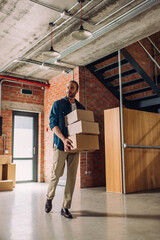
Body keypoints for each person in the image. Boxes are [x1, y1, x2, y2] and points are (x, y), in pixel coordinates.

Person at [45, 80, 85, 219]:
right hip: (60, 145)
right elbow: (53, 123)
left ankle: (65, 207)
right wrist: (63, 139)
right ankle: (49, 197)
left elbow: (83, 128)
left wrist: (86, 144)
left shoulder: (81, 108)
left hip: (75, 147)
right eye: (67, 87)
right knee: (56, 174)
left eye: (72, 88)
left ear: (76, 90)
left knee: (72, 177)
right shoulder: (58, 104)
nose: (69, 90)